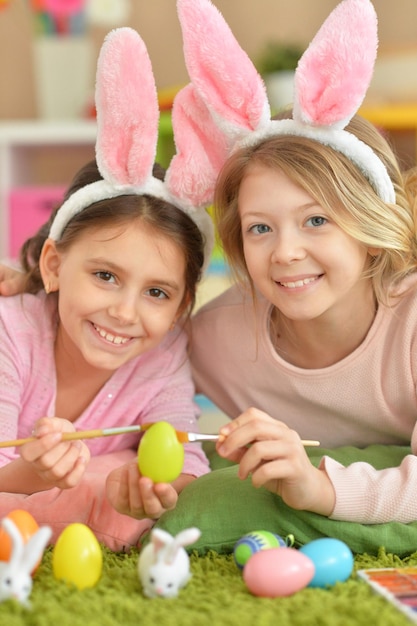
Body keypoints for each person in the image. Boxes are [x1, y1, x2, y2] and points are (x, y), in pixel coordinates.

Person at [177, 0, 417, 527]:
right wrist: (32, 288)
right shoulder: (216, 338)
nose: (285, 252)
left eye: (316, 221)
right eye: (260, 228)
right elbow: (122, 359)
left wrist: (320, 488)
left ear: (370, 233)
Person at [0, 25, 223, 551]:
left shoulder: (164, 352)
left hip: (66, 516)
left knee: (119, 471)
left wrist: (154, 489)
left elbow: (184, 451)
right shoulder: (13, 329)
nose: (124, 312)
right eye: (105, 276)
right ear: (53, 266)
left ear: (182, 306)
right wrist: (30, 477)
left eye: (157, 293)